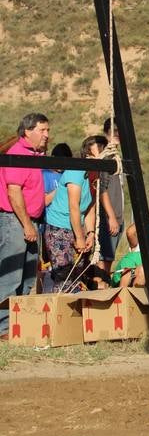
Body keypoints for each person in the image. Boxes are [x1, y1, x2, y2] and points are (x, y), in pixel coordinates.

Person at [0, 113, 49, 336]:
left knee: (28, 277)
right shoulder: (18, 154)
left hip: (29, 221)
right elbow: (13, 192)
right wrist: (27, 225)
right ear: (27, 132)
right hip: (16, 221)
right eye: (42, 130)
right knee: (10, 276)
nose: (47, 135)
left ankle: (15, 326)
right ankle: (3, 329)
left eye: (47, 130)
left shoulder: (33, 154)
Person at [45, 135, 107, 289]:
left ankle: (76, 309)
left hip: (76, 227)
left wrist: (90, 233)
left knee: (78, 273)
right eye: (100, 151)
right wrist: (79, 237)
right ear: (88, 155)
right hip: (59, 227)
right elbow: (74, 205)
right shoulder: (76, 171)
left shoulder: (96, 175)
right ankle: (59, 310)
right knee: (64, 275)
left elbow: (90, 207)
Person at [96, 119, 125, 279]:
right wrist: (111, 217)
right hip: (110, 218)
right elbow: (102, 188)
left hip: (117, 216)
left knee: (108, 261)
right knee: (103, 262)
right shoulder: (106, 158)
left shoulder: (116, 157)